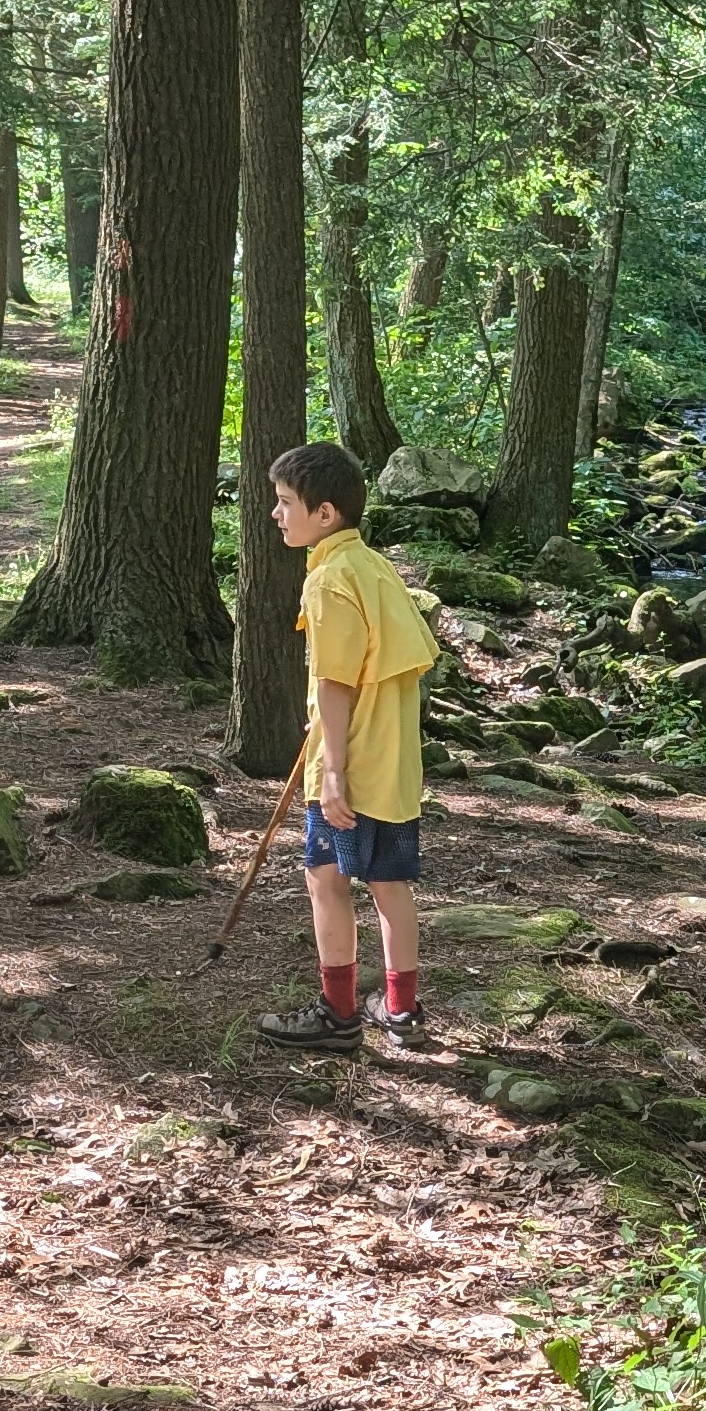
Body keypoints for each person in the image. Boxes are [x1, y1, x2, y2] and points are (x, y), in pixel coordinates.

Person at [256, 441, 442, 1050]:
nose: (277, 515)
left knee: (325, 875)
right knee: (390, 885)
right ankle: (402, 1012)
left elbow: (336, 680)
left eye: (286, 504)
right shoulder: (373, 565)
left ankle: (338, 1016)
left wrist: (331, 769)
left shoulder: (330, 579)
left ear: (326, 514)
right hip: (391, 760)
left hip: (351, 761)